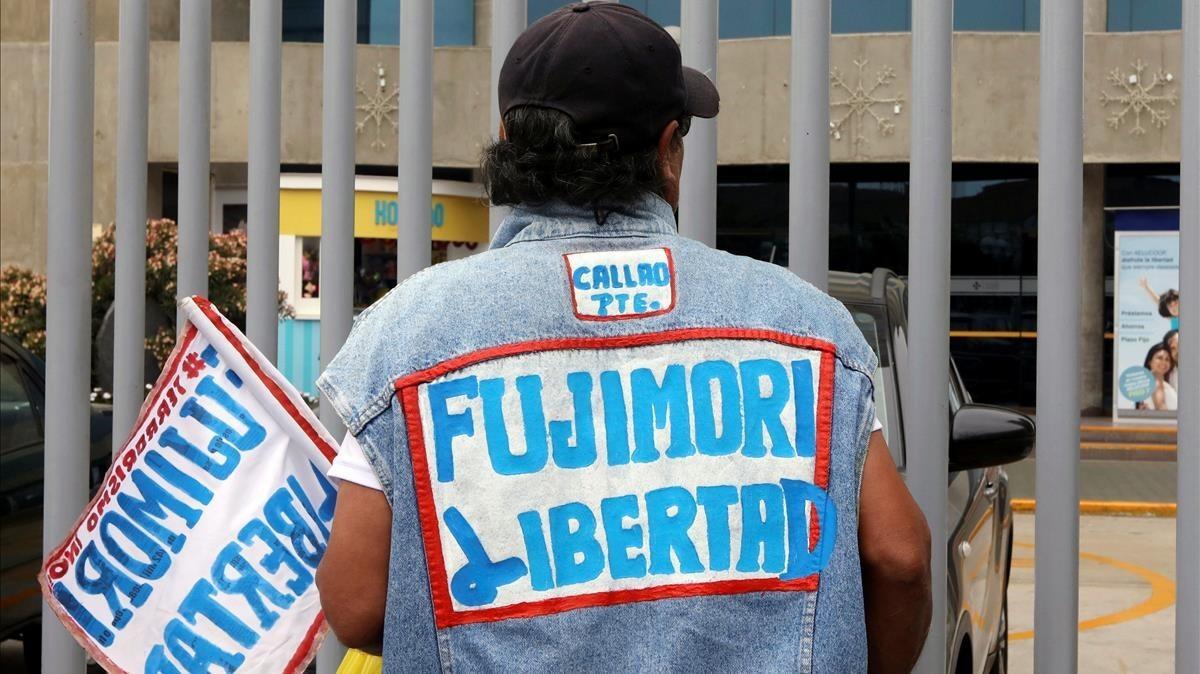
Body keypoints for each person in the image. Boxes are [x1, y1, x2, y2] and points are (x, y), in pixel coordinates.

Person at [314, 4, 931, 672]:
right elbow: (899, 558)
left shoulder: (409, 334)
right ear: (668, 149)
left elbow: (355, 602)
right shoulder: (808, 328)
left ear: (506, 139)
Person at [1137, 342, 1177, 411]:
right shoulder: (1155, 381)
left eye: (1167, 359)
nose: (1164, 362)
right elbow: (1163, 411)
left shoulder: (1163, 384)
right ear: (1150, 361)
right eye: (1160, 358)